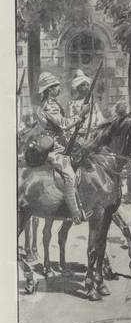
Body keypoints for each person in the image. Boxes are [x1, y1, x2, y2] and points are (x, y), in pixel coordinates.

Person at [33, 71, 86, 222]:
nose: (59, 88)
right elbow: (63, 124)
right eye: (56, 86)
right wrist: (80, 116)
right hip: (55, 148)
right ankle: (75, 214)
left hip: (60, 143)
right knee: (69, 176)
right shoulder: (50, 106)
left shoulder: (53, 103)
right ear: (49, 89)